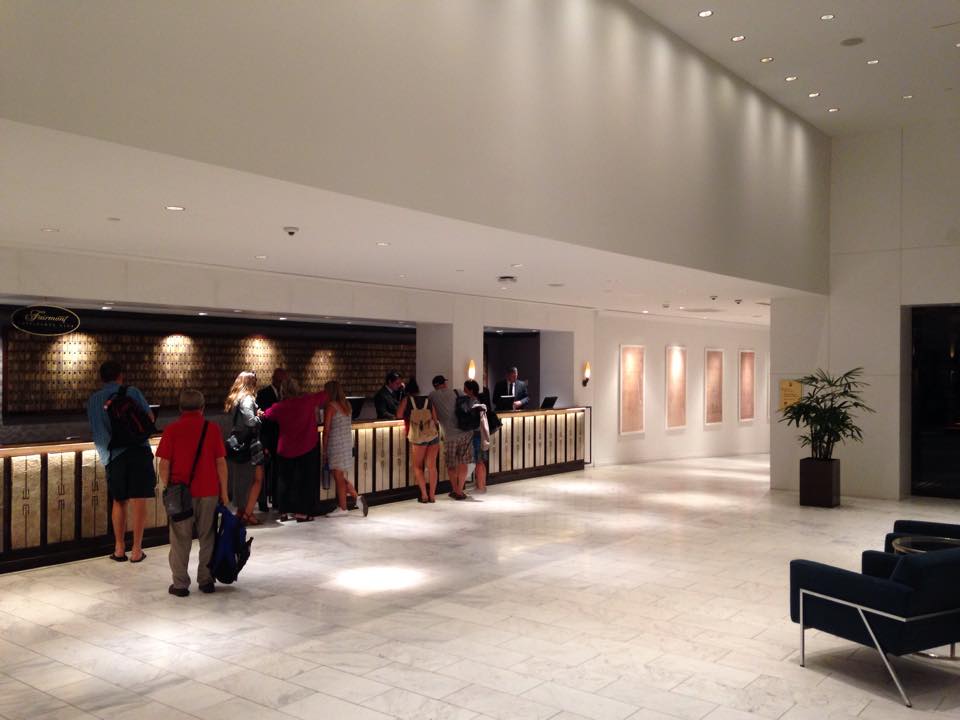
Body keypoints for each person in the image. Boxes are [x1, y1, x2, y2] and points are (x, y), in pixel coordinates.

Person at [156, 389, 229, 597]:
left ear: (180, 408)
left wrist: (168, 487)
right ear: (202, 407)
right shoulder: (212, 429)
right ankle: (206, 580)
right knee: (208, 536)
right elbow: (221, 463)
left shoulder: (172, 430)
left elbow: (164, 464)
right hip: (208, 491)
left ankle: (180, 584)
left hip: (181, 495)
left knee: (180, 539)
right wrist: (224, 492)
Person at [87, 360, 156, 563]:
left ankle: (119, 548)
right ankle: (137, 550)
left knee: (119, 500)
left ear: (101, 378)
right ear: (120, 375)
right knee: (139, 498)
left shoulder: (93, 400)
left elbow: (97, 431)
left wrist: (106, 458)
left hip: (113, 456)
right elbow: (149, 418)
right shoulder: (131, 392)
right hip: (138, 450)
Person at [262, 377, 327, 521]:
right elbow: (325, 394)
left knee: (284, 481)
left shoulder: (279, 406)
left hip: (285, 449)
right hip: (307, 447)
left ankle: (283, 511)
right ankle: (302, 513)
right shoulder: (308, 400)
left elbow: (267, 414)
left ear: (282, 391)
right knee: (305, 481)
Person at [322, 380, 367, 518]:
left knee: (338, 477)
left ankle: (343, 508)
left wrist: (324, 450)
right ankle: (356, 498)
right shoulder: (347, 405)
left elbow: (326, 430)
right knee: (339, 476)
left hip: (335, 445)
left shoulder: (331, 406)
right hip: (347, 444)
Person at [224, 371, 264, 526]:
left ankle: (242, 511)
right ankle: (248, 514)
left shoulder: (235, 399)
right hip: (250, 443)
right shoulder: (247, 398)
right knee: (256, 479)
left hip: (239, 442)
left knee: (242, 480)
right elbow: (250, 422)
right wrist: (259, 417)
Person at [428, 375, 472, 500]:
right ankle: (460, 490)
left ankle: (455, 490)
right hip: (465, 432)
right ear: (444, 383)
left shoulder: (432, 396)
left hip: (449, 435)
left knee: (451, 465)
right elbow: (469, 406)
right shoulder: (458, 392)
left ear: (435, 386)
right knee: (463, 462)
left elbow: (433, 416)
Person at [398, 381, 440, 503]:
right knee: (432, 467)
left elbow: (399, 414)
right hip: (432, 435)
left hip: (418, 437)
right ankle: (432, 496)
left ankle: (424, 496)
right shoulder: (428, 400)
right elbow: (435, 419)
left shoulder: (406, 400)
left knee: (417, 466)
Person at [256, 368, 287, 511]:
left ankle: (277, 500)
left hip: (281, 437)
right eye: (279, 380)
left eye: (283, 380)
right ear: (273, 379)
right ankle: (262, 502)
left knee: (278, 471)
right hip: (267, 437)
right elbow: (261, 418)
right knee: (264, 471)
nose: (281, 383)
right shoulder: (263, 394)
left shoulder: (285, 394)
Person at [458, 380, 490, 493]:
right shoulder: (480, 400)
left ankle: (480, 486)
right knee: (481, 460)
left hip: (475, 434)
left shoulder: (472, 402)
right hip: (481, 434)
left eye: (465, 388)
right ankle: (482, 485)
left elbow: (466, 413)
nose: (464, 390)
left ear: (470, 390)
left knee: (479, 461)